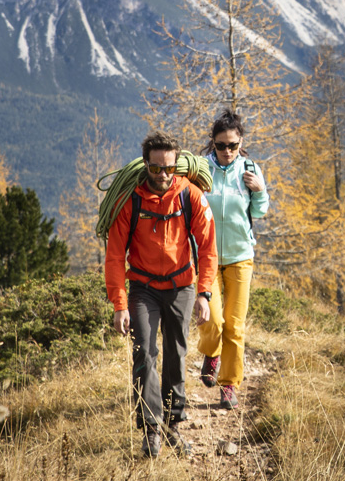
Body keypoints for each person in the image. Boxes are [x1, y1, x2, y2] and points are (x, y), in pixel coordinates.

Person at [105, 130, 218, 458]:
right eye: (156, 168)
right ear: (146, 165)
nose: (163, 175)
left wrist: (204, 293)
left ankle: (173, 425)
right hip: (142, 288)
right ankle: (151, 429)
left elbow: (208, 246)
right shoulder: (132, 199)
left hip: (181, 286)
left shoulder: (190, 195)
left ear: (177, 164)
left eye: (168, 168)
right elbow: (114, 255)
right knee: (145, 353)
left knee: (177, 354)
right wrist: (119, 304)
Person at [195, 109, 270, 410]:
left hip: (241, 257)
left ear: (241, 143)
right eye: (221, 145)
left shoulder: (250, 169)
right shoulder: (201, 171)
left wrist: (261, 190)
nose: (227, 151)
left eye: (233, 145)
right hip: (207, 257)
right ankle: (211, 354)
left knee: (235, 327)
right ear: (212, 143)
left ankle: (229, 385)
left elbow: (260, 211)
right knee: (212, 321)